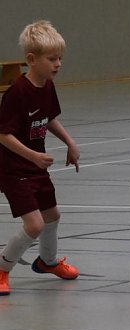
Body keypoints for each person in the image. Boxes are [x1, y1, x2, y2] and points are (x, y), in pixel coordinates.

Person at [0, 21, 81, 296]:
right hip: (13, 168)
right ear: (31, 60)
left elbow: (49, 119)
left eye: (60, 58)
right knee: (34, 225)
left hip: (34, 167)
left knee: (52, 216)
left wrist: (70, 142)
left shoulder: (46, 85)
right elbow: (3, 135)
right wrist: (33, 155)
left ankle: (46, 262)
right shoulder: (17, 92)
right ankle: (2, 268)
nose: (58, 64)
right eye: (52, 59)